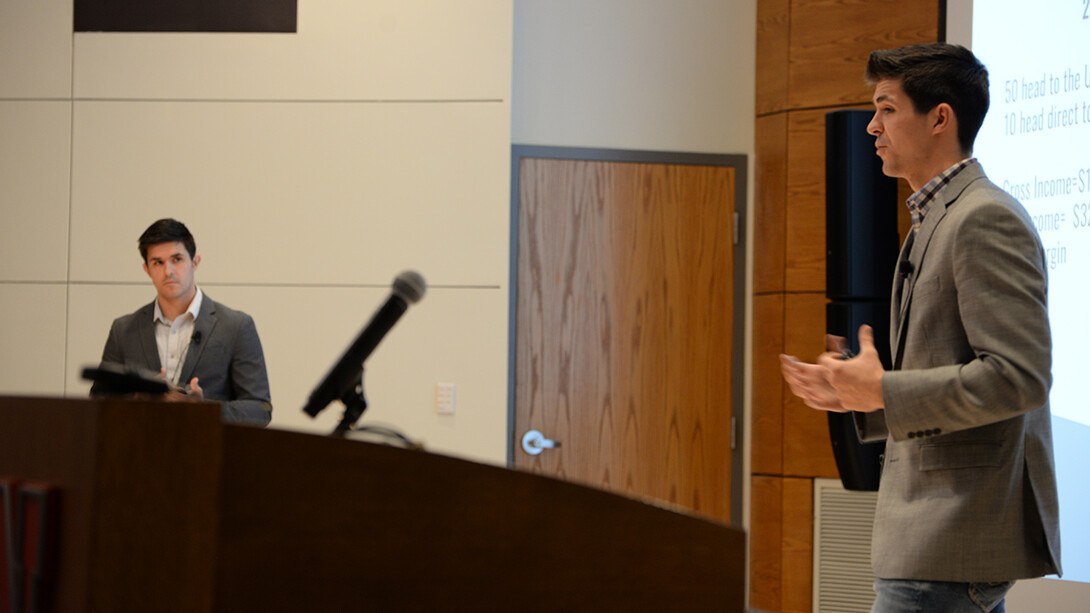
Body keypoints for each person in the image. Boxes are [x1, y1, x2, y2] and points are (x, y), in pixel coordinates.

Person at [779, 43, 1060, 612]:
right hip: (930, 545)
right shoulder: (938, 218)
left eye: (886, 108)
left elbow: (1018, 379)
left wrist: (882, 390)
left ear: (939, 117)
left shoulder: (984, 218)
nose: (871, 127)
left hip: (949, 544)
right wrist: (859, 396)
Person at [90, 218, 272, 426]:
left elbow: (260, 409)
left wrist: (204, 411)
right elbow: (98, 403)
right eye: (158, 262)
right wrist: (138, 401)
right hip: (141, 455)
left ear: (195, 262)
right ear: (146, 269)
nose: (169, 271)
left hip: (210, 454)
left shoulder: (236, 326)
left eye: (177, 259)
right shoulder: (123, 330)